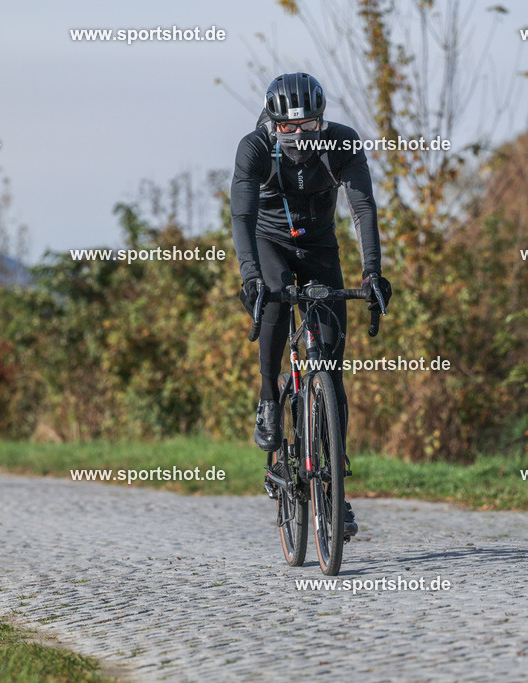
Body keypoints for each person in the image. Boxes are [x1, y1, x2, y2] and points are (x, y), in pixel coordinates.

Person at [231, 72, 392, 538]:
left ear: (322, 121)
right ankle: (267, 398)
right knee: (276, 303)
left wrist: (373, 273)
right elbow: (241, 215)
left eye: (310, 128)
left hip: (320, 248)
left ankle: (335, 491)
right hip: (270, 244)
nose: (300, 138)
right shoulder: (255, 147)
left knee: (331, 368)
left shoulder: (341, 142)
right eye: (289, 129)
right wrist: (250, 278)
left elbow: (363, 208)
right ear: (273, 123)